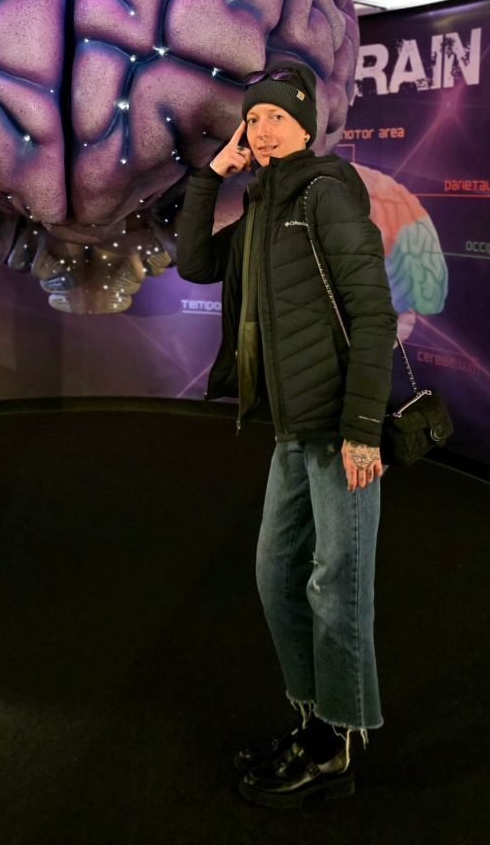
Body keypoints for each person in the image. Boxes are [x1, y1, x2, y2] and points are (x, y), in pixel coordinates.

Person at [176, 63, 397, 808]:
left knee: (337, 587)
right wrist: (212, 175)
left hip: (340, 429)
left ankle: (337, 741)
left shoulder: (325, 193)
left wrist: (363, 429)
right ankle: (310, 719)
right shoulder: (266, 206)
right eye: (255, 119)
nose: (264, 130)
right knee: (278, 576)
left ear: (307, 124)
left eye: (276, 117)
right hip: (292, 428)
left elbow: (373, 314)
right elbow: (196, 262)